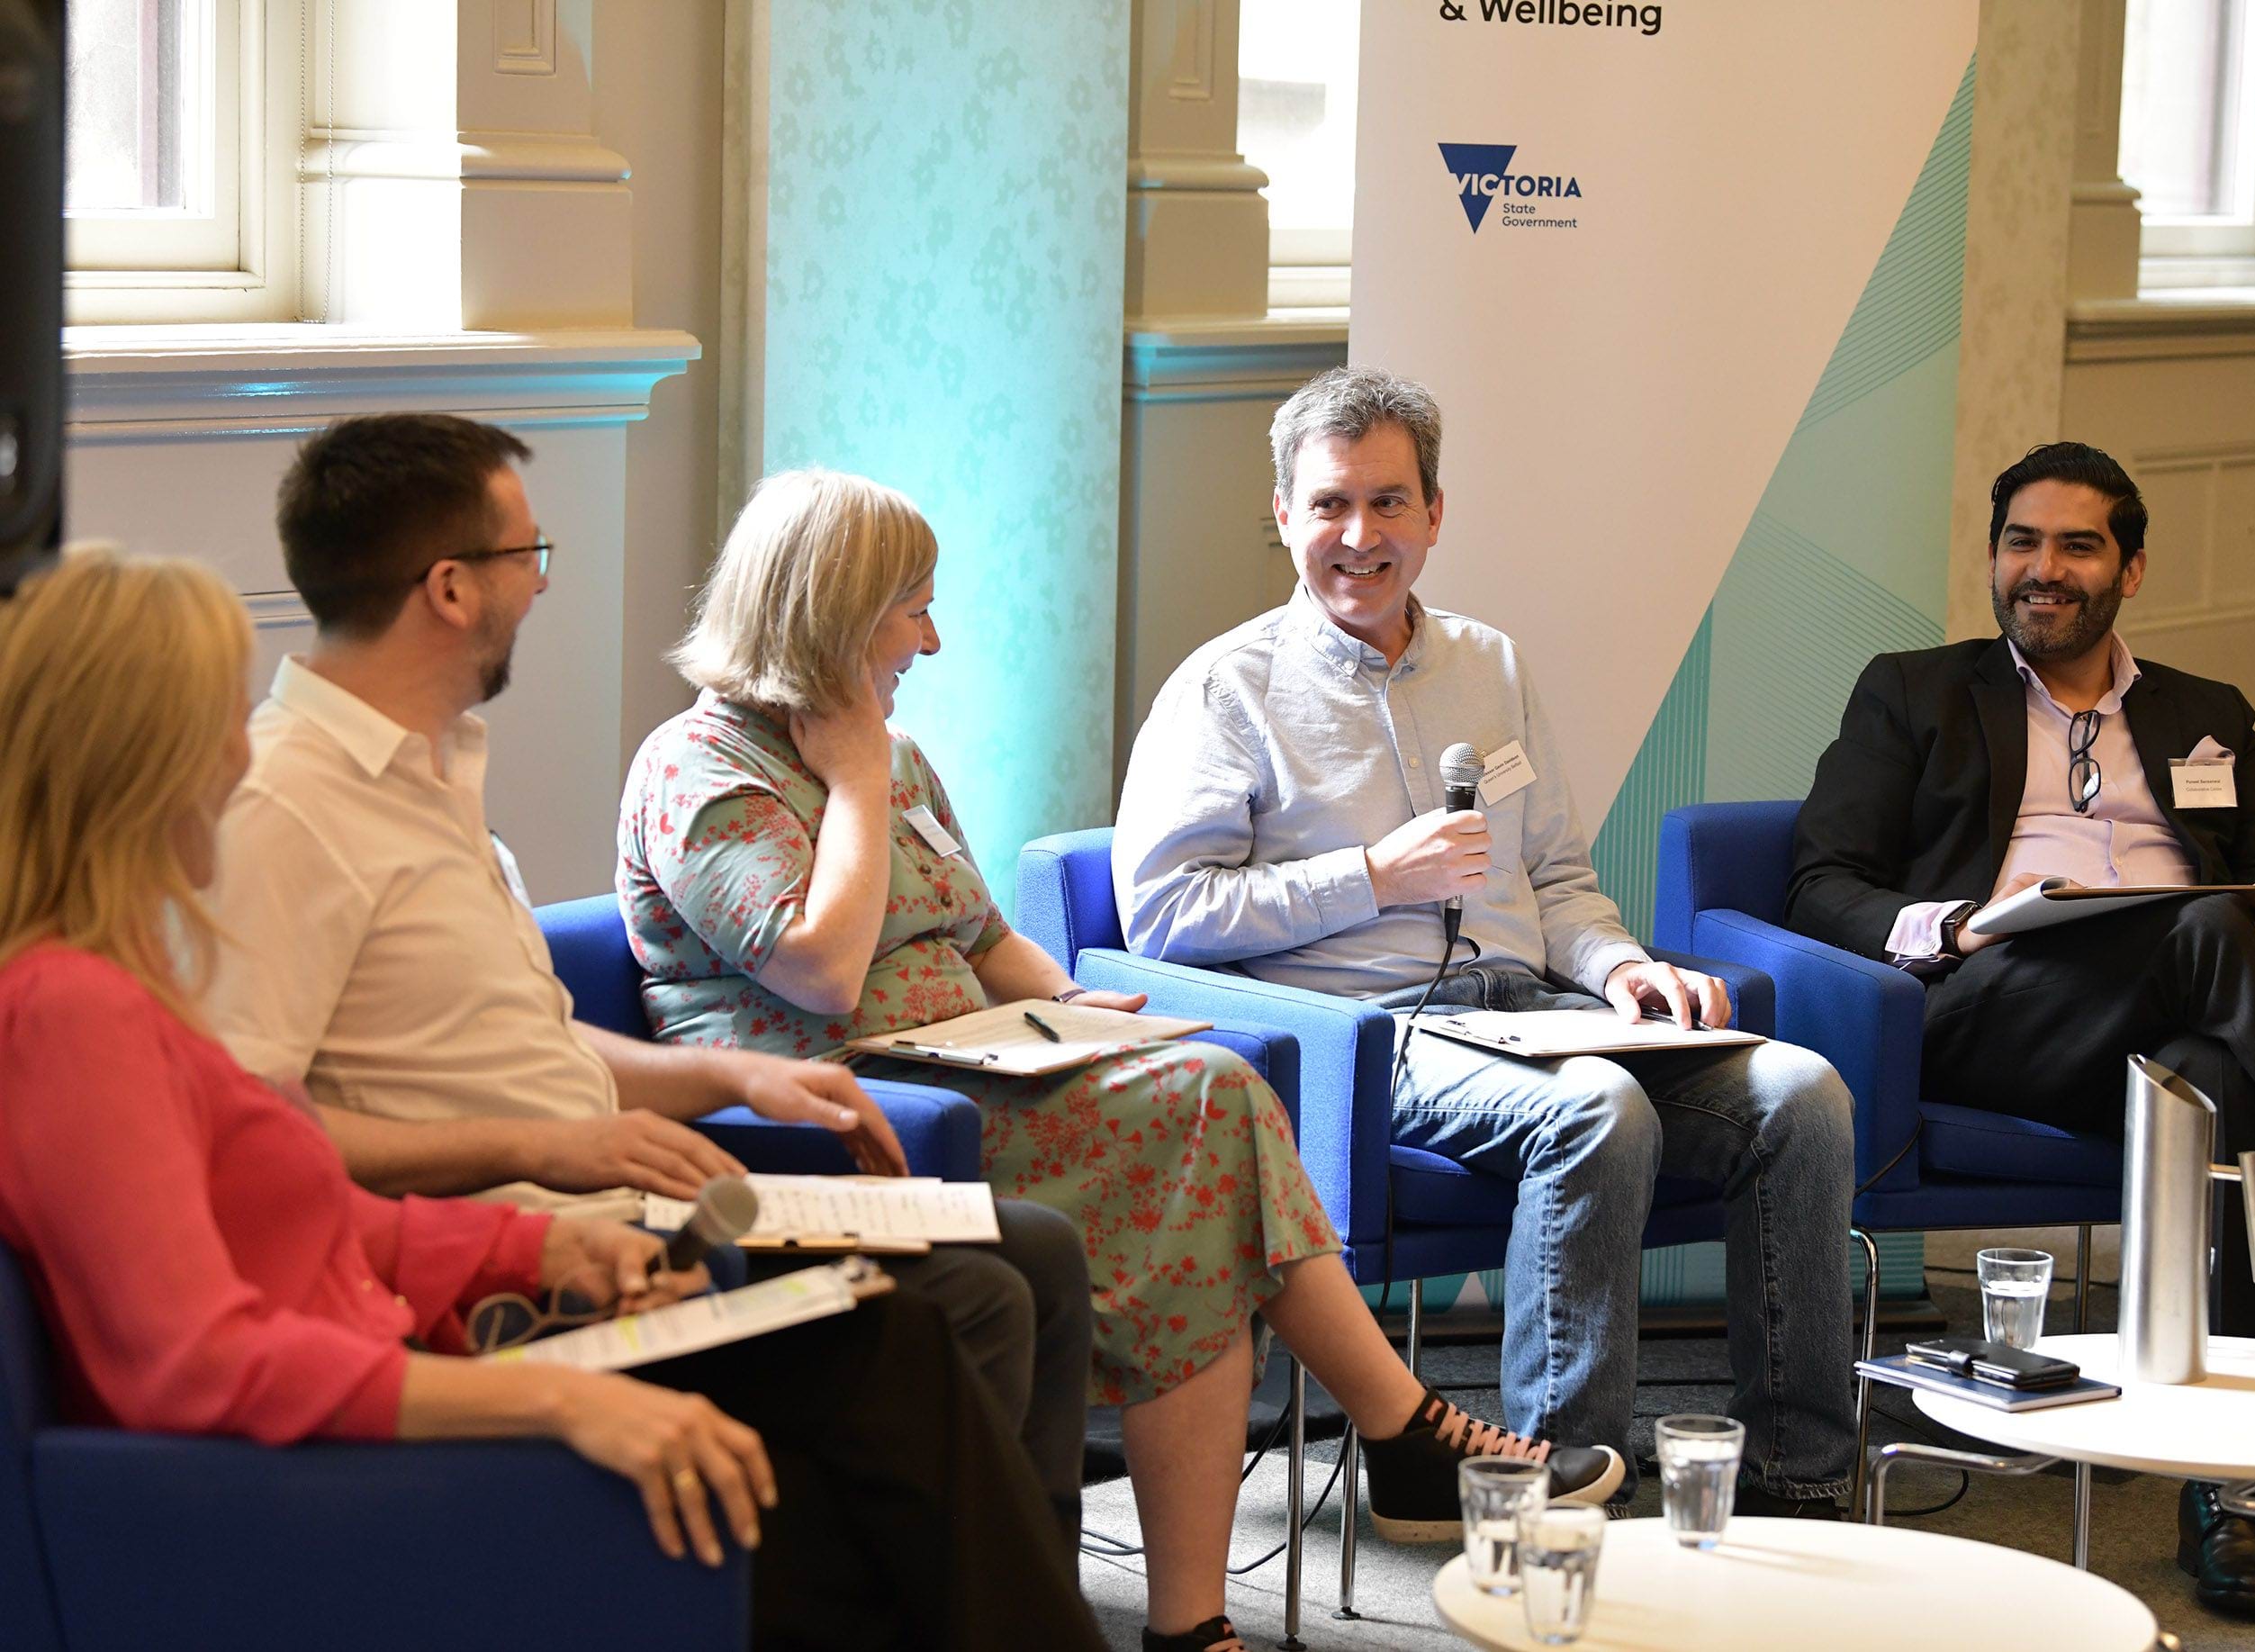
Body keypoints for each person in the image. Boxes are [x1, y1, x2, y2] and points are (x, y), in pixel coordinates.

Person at [0, 546, 1105, 1652]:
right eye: (215, 725)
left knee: (882, 1397)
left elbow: (323, 1217)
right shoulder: (72, 1012)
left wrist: (527, 1254)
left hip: (393, 1377)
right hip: (322, 1476)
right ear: (136, 761)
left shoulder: (120, 985)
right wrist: (560, 1400)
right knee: (879, 1401)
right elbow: (199, 1357)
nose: (240, 752)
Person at [615, 467, 1625, 1652]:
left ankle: (1204, 1612)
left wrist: (1076, 1004)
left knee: (1201, 1135)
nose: (930, 640)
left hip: (973, 1073)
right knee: (1211, 1108)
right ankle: (1393, 1437)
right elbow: (822, 973)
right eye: (912, 609)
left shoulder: (896, 752)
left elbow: (983, 935)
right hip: (839, 1111)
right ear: (832, 611)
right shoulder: (701, 767)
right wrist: (852, 780)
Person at [195, 412, 1093, 1554]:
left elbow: (540, 1046)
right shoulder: (288, 809)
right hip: (519, 1259)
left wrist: (733, 1078)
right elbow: (247, 1136)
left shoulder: (434, 770)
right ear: (451, 589)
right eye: (529, 556)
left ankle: (1025, 1605)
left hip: (620, 1210)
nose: (542, 586)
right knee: (964, 1302)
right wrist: (535, 1146)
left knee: (1034, 1254)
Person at [1113, 366, 1860, 1517]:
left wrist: (1622, 968)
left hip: (1533, 1006)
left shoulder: (1489, 664)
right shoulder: (1226, 687)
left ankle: (1797, 1475)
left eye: (1388, 503)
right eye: (1328, 505)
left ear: (1434, 514)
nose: (1359, 536)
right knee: (1593, 1110)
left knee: (1798, 1090)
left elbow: (1555, 873)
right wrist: (1370, 877)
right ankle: (1549, 1482)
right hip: (1368, 1030)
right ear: (1282, 516)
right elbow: (1163, 914)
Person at [1784, 438, 2255, 1622]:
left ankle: (2224, 1484)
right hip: (1996, 1008)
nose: (2041, 568)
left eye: (2076, 543)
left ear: (2131, 567)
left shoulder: (2205, 713)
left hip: (2177, 1021)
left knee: (2219, 1070)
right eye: (2020, 540)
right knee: (2208, 944)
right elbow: (1819, 883)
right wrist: (1949, 924)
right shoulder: (1914, 688)